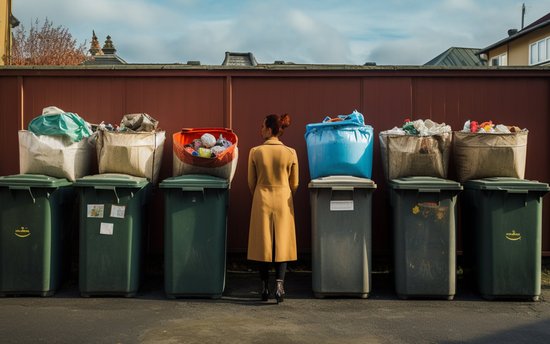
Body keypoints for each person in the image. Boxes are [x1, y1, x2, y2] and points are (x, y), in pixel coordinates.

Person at [247, 113, 299, 303]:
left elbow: (250, 182)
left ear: (269, 129)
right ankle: (279, 286)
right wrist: (285, 191)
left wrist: (261, 192)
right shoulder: (291, 152)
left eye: (262, 126)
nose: (260, 129)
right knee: (282, 243)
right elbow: (295, 183)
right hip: (284, 199)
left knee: (263, 244)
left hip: (262, 198)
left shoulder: (255, 152)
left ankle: (263, 287)